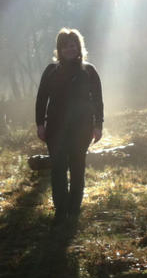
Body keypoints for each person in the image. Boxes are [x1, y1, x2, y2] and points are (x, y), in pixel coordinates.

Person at [35, 28, 103, 219]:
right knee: (57, 169)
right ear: (59, 49)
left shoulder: (89, 71)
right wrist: (40, 124)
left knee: (77, 167)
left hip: (82, 128)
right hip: (55, 128)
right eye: (65, 46)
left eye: (72, 45)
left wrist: (98, 126)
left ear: (78, 47)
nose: (69, 49)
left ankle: (74, 209)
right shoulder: (51, 71)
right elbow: (41, 99)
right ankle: (60, 209)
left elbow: (98, 101)